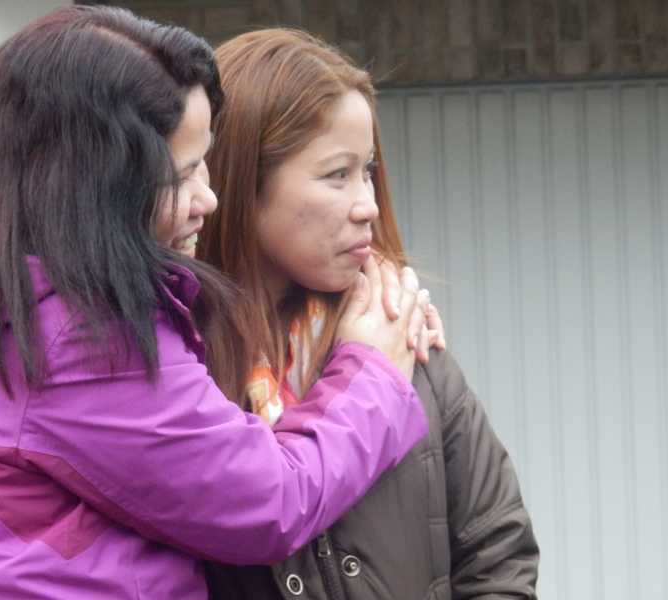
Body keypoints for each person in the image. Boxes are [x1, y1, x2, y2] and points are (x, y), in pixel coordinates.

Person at [0, 8, 433, 599]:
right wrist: (372, 372)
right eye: (181, 175)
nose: (209, 198)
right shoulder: (74, 338)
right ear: (88, 185)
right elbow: (269, 501)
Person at [198, 29, 540, 599]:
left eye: (368, 171)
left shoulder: (405, 341)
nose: (369, 206)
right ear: (241, 181)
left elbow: (498, 554)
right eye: (338, 174)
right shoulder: (179, 373)